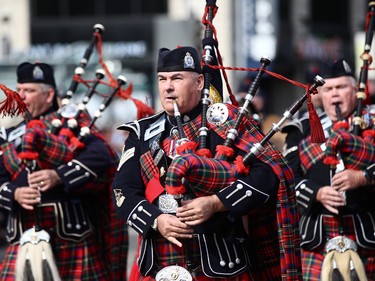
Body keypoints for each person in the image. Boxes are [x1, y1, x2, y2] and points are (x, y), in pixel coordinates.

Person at [112, 46, 302, 280]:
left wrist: (216, 202)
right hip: (159, 261)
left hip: (220, 261)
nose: (167, 86)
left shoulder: (226, 124)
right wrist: (156, 220)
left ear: (200, 82)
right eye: (162, 79)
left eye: (177, 78)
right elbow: (123, 190)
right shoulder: (142, 132)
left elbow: (269, 175)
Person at [0, 62, 128, 280]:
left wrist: (58, 176)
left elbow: (101, 157)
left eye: (29, 91)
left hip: (71, 236)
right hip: (22, 236)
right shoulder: (7, 135)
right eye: (19, 90)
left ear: (49, 95)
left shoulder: (75, 123)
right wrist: (14, 193)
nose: (21, 96)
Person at [282, 58, 375, 280]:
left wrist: (364, 177)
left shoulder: (371, 123)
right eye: (328, 89)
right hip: (317, 237)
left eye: (341, 87)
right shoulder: (301, 130)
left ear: (356, 90)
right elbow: (287, 179)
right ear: (320, 95)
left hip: (369, 233)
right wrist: (317, 193)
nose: (334, 95)